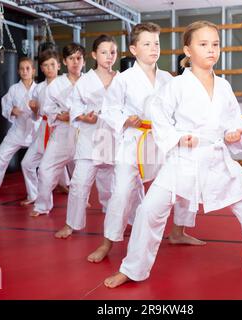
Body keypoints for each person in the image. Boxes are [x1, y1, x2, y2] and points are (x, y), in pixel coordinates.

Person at [104, 20, 242, 288]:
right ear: (188, 51)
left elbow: (231, 120)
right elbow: (159, 117)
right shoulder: (176, 86)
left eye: (215, 44)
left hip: (216, 159)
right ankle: (133, 269)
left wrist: (232, 134)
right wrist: (179, 138)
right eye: (203, 44)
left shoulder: (223, 86)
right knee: (149, 212)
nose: (211, 50)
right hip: (183, 160)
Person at [88, 22, 204, 264]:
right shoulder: (124, 79)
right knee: (120, 193)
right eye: (147, 44)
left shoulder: (168, 79)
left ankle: (178, 231)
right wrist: (126, 120)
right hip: (133, 142)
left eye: (157, 43)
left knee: (185, 181)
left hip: (162, 142)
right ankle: (107, 242)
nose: (154, 48)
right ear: (133, 49)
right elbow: (109, 109)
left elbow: (178, 110)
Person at [55, 35, 129, 238]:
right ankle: (71, 224)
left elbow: (128, 107)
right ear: (95, 55)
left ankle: (116, 220)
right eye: (104, 52)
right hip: (90, 137)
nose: (109, 56)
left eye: (112, 52)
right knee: (79, 183)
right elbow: (75, 106)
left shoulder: (122, 79)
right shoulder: (85, 80)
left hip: (112, 137)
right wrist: (82, 116)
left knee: (112, 185)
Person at [30, 43, 85, 217]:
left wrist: (77, 115)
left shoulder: (91, 81)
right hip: (62, 132)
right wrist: (62, 116)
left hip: (86, 132)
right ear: (65, 61)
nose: (75, 62)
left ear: (84, 60)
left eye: (79, 58)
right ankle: (42, 205)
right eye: (71, 58)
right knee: (45, 169)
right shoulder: (56, 85)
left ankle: (105, 205)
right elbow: (47, 108)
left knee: (103, 172)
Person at [0, 57, 39, 197]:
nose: (25, 71)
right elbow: (5, 105)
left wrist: (36, 110)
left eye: (27, 68)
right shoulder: (14, 89)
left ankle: (61, 184)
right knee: (0, 156)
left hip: (35, 130)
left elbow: (44, 110)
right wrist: (12, 111)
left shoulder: (39, 89)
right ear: (18, 71)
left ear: (33, 71)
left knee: (52, 156)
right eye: (22, 69)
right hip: (17, 131)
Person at [20, 49, 70, 206]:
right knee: (27, 163)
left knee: (51, 165)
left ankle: (49, 200)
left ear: (59, 66)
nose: (49, 68)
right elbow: (36, 114)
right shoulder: (38, 88)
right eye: (45, 65)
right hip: (43, 127)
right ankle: (34, 194)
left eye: (52, 64)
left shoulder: (66, 84)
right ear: (41, 68)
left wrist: (66, 115)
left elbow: (72, 107)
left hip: (61, 127)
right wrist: (34, 108)